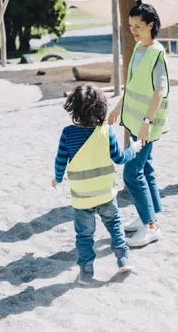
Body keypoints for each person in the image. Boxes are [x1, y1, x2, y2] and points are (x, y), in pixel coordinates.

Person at [52, 84, 143, 286]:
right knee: (115, 226)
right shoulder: (106, 132)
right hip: (106, 194)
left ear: (73, 109)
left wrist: (57, 179)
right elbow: (119, 158)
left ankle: (85, 273)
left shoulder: (68, 134)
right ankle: (123, 260)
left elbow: (60, 161)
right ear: (101, 108)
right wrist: (133, 148)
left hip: (81, 197)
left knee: (84, 235)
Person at [107, 0, 169, 248]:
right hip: (134, 121)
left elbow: (159, 91)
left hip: (146, 125)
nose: (133, 30)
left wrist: (146, 122)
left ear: (150, 25)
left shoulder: (156, 52)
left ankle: (151, 226)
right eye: (131, 25)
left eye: (138, 26)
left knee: (132, 174)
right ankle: (151, 218)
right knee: (147, 169)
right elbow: (133, 86)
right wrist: (117, 108)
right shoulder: (139, 49)